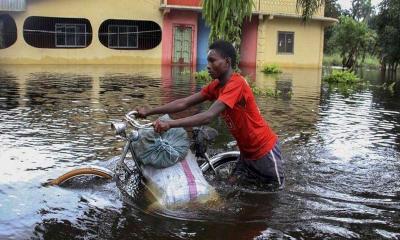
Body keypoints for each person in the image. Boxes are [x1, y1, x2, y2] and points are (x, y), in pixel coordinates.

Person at [136, 40, 284, 189]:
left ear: (227, 62)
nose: (208, 66)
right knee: (229, 188)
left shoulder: (237, 84)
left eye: (212, 61)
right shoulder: (216, 86)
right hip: (246, 153)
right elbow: (184, 103)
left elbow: (208, 116)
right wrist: (150, 111)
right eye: (207, 61)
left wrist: (170, 124)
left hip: (264, 150)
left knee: (275, 195)